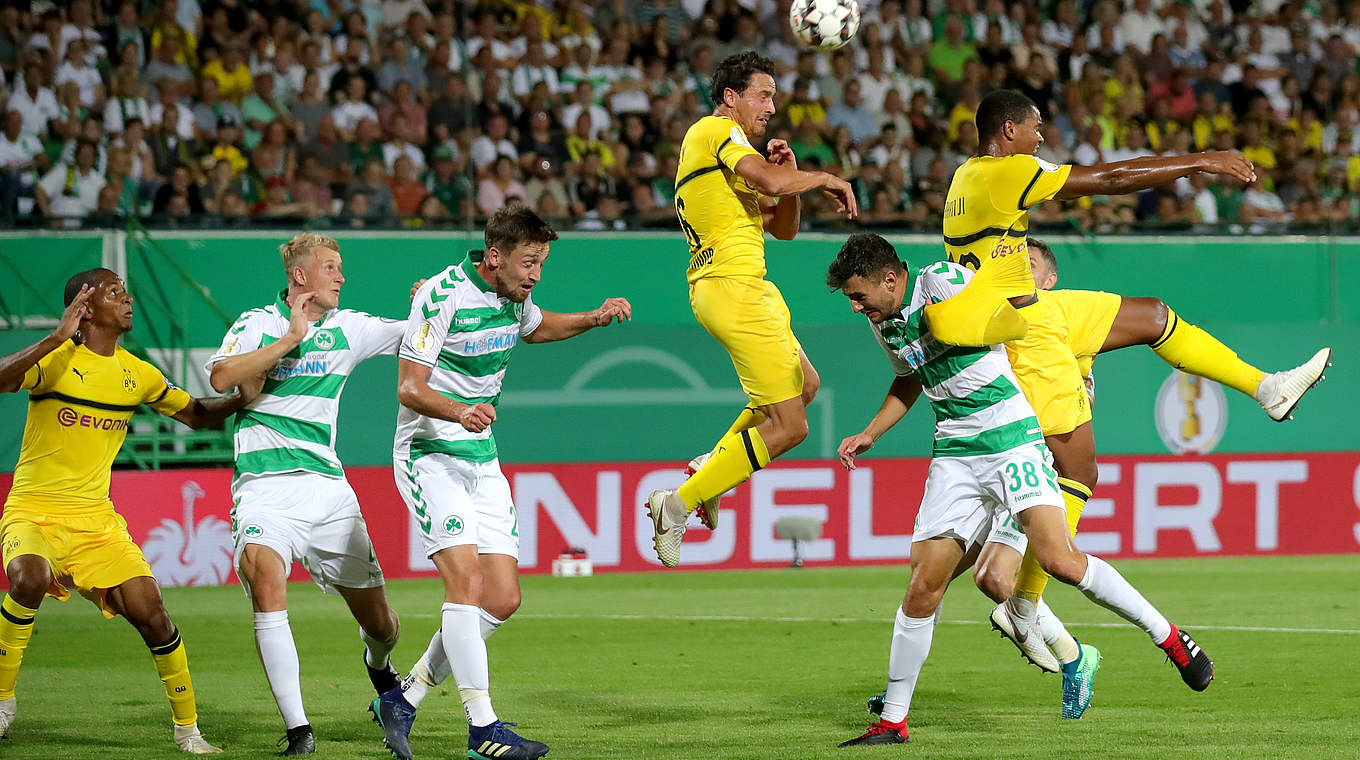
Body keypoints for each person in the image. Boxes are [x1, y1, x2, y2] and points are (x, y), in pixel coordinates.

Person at [927, 90, 1331, 671]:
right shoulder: (1006, 171)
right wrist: (1198, 161)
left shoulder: (968, 175)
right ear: (1009, 129)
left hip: (1037, 308)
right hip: (1025, 336)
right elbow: (1112, 177)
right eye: (1036, 127)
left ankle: (1267, 388)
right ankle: (1024, 603)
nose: (1042, 137)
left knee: (1152, 315)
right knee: (1079, 471)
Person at [828, 234, 1211, 747]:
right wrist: (871, 432)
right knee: (923, 586)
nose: (857, 308)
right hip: (956, 454)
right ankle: (893, 721)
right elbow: (908, 379)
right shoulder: (885, 325)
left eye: (860, 296)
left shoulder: (945, 281)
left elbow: (1014, 322)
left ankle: (1170, 640)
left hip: (1012, 440)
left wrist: (957, 323)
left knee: (1060, 562)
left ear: (891, 279)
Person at [370, 203, 631, 760]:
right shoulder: (438, 297)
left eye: (541, 264)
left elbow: (535, 327)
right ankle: (482, 729)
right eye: (528, 263)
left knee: (504, 598)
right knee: (463, 584)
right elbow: (409, 387)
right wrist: (460, 409)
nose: (535, 275)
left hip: (481, 458)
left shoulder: (513, 298)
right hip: (429, 452)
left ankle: (406, 696)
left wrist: (594, 316)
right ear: (495, 256)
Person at [0, 268, 262, 754]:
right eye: (114, 292)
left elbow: (195, 415)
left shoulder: (136, 373)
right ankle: (2, 702)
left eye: (126, 290)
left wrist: (240, 399)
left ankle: (189, 731)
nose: (128, 299)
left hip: (97, 523)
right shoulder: (55, 361)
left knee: (153, 613)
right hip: (33, 511)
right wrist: (55, 337)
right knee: (29, 578)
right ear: (84, 305)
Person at [643, 51, 857, 567]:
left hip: (744, 286)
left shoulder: (730, 158)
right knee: (790, 427)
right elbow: (773, 186)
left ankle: (709, 474)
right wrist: (823, 178)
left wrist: (792, 174)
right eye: (763, 94)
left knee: (805, 386)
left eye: (774, 96)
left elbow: (782, 225)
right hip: (733, 287)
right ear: (730, 97)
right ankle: (676, 505)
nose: (771, 105)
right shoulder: (713, 132)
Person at [203, 232, 408, 755]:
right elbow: (223, 374)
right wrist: (289, 339)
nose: (342, 276)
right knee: (266, 578)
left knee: (383, 626)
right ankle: (300, 731)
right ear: (300, 276)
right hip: (265, 492)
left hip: (327, 492)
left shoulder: (350, 327)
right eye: (331, 267)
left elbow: (423, 337)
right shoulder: (258, 323)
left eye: (341, 268)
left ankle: (379, 669)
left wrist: (433, 303)